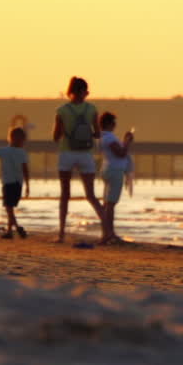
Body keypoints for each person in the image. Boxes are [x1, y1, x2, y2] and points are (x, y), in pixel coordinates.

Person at [52, 76, 105, 242]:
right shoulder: (92, 109)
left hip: (67, 153)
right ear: (83, 92)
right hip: (85, 153)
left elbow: (56, 136)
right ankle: (107, 229)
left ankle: (61, 233)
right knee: (91, 195)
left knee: (65, 194)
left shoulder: (61, 110)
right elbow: (97, 133)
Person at [97, 112, 135, 245]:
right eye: (114, 123)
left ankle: (106, 233)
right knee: (110, 204)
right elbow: (121, 153)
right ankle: (109, 234)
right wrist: (127, 141)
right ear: (109, 124)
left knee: (107, 204)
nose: (115, 125)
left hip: (108, 169)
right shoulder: (109, 138)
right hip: (115, 171)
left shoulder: (103, 137)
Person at [0, 123, 32, 239]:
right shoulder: (6, 151)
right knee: (9, 207)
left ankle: (16, 228)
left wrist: (28, 185)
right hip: (12, 183)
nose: (22, 142)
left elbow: (25, 169)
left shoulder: (16, 152)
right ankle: (10, 230)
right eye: (21, 139)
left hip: (13, 183)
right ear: (13, 138)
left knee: (9, 207)